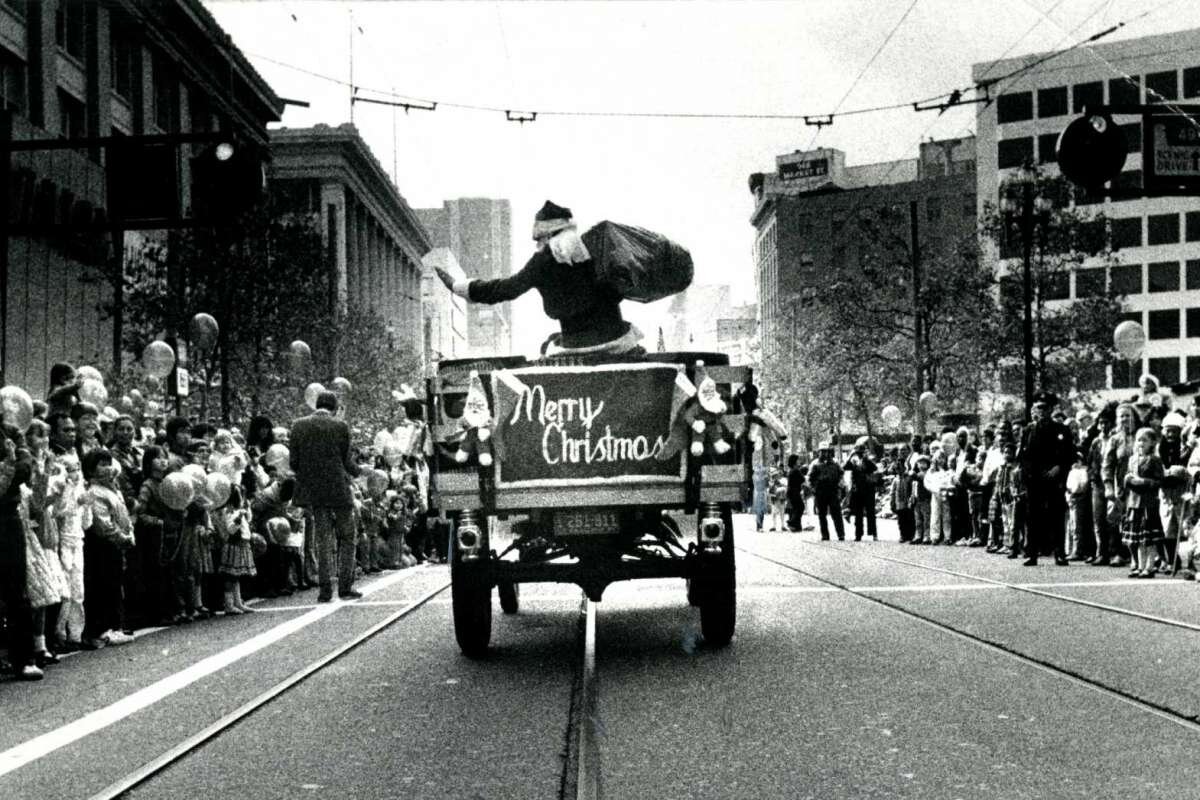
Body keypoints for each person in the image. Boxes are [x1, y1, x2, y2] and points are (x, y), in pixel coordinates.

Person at [434, 201, 641, 355]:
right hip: (619, 341)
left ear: (547, 235)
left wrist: (460, 287)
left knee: (548, 350)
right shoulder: (597, 247)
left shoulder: (544, 260)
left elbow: (506, 288)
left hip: (575, 347)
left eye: (538, 239)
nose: (537, 244)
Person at [290, 390, 362, 602]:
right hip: (338, 489)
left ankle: (325, 590)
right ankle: (345, 587)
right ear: (334, 407)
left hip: (314, 491)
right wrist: (361, 472)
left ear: (316, 404)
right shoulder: (340, 426)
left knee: (322, 539)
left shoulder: (298, 425)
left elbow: (294, 462)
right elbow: (347, 462)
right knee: (347, 537)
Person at [1020, 392, 1075, 567]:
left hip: (1054, 479)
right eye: (1038, 407)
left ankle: (1060, 553)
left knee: (1057, 515)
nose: (1041, 411)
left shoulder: (1061, 430)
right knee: (1032, 517)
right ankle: (1032, 553)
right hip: (1035, 480)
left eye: (1044, 408)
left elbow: (1069, 454)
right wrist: (1029, 476)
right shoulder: (1028, 430)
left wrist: (1058, 468)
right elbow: (1024, 456)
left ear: (1051, 409)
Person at [1122, 427, 1164, 578]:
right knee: (1138, 538)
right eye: (1138, 440)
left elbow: (1159, 481)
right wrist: (1127, 479)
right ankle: (1139, 565)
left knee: (1149, 538)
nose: (1141, 443)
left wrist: (1144, 481)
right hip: (1134, 502)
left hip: (1148, 503)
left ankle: (1150, 566)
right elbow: (1128, 475)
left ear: (1152, 443)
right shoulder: (1132, 459)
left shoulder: (1154, 460)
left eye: (1144, 440)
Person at [807, 444, 845, 541]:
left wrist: (840, 484)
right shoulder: (815, 464)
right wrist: (813, 489)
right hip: (820, 491)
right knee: (822, 514)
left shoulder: (835, 463)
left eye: (826, 451)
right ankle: (825, 535)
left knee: (836, 513)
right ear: (819, 452)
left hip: (833, 490)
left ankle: (841, 534)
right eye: (822, 451)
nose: (824, 453)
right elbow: (810, 478)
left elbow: (841, 474)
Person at [843, 437, 878, 541]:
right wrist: (850, 456)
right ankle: (858, 534)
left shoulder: (868, 460)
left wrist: (866, 459)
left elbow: (874, 468)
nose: (859, 454)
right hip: (857, 490)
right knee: (858, 514)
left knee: (870, 513)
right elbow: (844, 467)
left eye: (861, 452)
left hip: (868, 489)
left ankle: (873, 533)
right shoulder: (853, 462)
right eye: (858, 452)